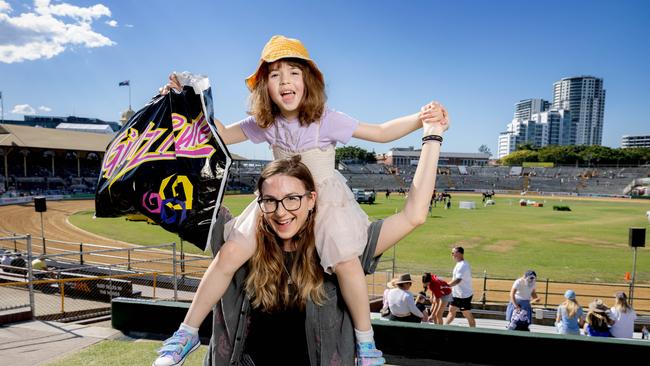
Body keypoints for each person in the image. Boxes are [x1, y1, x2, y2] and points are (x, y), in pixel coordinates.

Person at [157, 35, 447, 365]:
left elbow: (380, 132)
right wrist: (184, 101)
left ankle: (366, 343)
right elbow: (217, 134)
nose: (285, 81)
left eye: (293, 72)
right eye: (275, 74)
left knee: (346, 261)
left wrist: (421, 120)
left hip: (325, 200)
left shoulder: (327, 118)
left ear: (307, 80)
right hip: (279, 197)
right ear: (264, 86)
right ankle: (187, 331)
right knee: (232, 251)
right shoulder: (263, 123)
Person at [445, 247, 476, 327]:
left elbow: (458, 280)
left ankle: (474, 331)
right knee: (451, 311)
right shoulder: (459, 264)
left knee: (466, 314)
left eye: (453, 253)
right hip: (456, 294)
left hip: (464, 295)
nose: (452, 255)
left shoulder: (463, 265)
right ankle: (444, 327)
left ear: (459, 253)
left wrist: (446, 286)